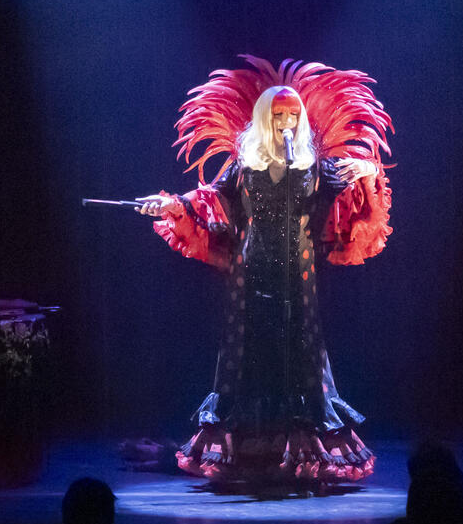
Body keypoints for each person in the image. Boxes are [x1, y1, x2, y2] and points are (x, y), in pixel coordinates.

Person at [135, 56, 393, 486]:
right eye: (278, 115)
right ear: (263, 118)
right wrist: (168, 205)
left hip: (300, 279)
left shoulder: (316, 166)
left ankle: (302, 452)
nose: (287, 123)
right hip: (249, 276)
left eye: (294, 115)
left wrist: (369, 169)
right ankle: (249, 452)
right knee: (248, 356)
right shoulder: (243, 165)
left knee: (300, 356)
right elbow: (206, 201)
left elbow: (362, 201)